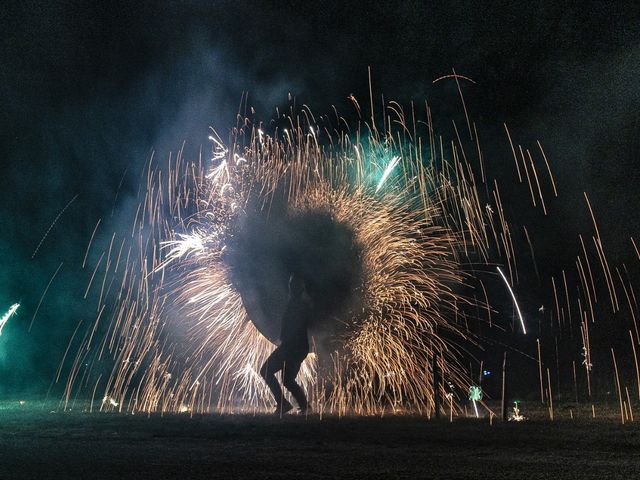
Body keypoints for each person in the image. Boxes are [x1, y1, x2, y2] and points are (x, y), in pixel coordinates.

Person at [259, 272, 311, 415]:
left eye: (293, 285)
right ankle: (303, 406)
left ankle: (285, 404)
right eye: (290, 284)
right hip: (294, 347)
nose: (291, 287)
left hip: (293, 348)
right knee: (287, 380)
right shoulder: (296, 303)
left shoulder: (299, 305)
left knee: (266, 371)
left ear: (299, 288)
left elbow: (296, 327)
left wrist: (286, 342)